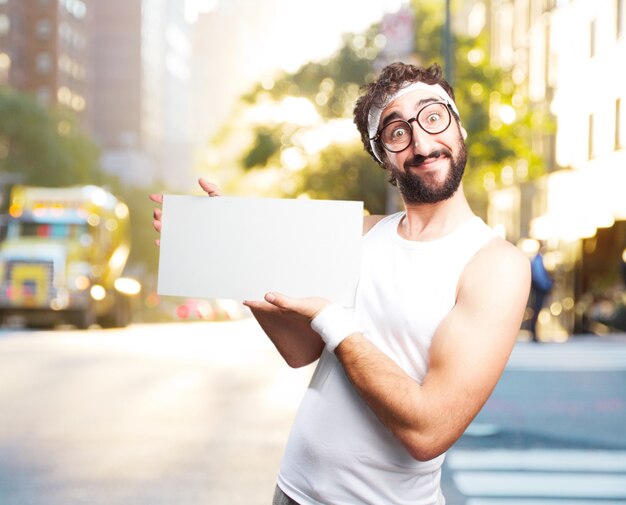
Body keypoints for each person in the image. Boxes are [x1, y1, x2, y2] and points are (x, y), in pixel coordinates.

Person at [150, 62, 530, 505]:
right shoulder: (360, 233)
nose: (423, 144)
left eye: (432, 117)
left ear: (457, 126)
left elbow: (429, 431)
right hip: (292, 491)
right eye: (397, 133)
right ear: (382, 155)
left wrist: (333, 320)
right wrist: (239, 256)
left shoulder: (496, 265)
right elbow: (301, 351)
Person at [529, 246, 553, 342]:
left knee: (536, 311)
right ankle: (533, 333)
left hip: (539, 288)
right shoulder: (538, 260)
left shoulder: (539, 259)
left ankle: (534, 332)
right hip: (540, 289)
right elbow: (539, 276)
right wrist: (547, 285)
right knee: (536, 310)